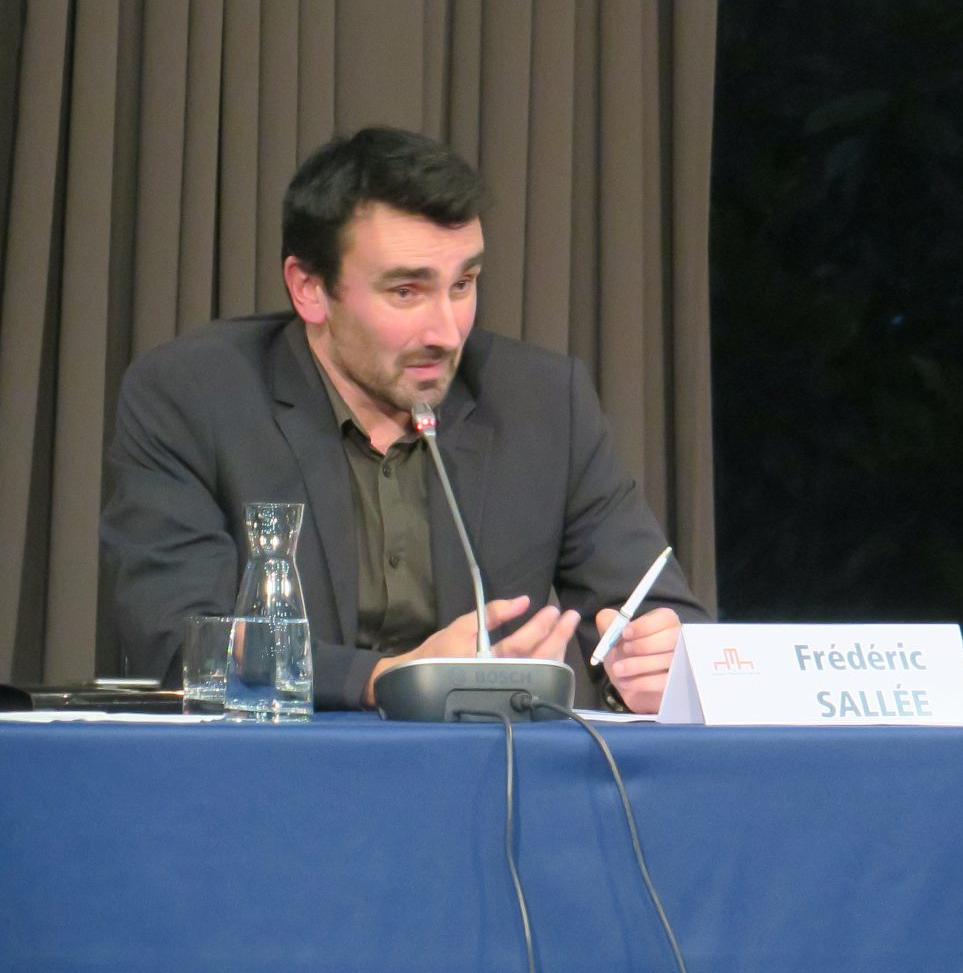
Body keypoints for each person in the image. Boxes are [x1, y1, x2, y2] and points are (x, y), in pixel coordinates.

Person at [103, 127, 706, 713]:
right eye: (406, 292)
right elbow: (182, 642)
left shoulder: (543, 403)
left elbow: (658, 611)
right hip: (274, 769)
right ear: (310, 289)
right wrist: (387, 680)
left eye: (463, 284)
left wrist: (660, 665)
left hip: (488, 772)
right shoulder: (194, 396)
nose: (446, 332)